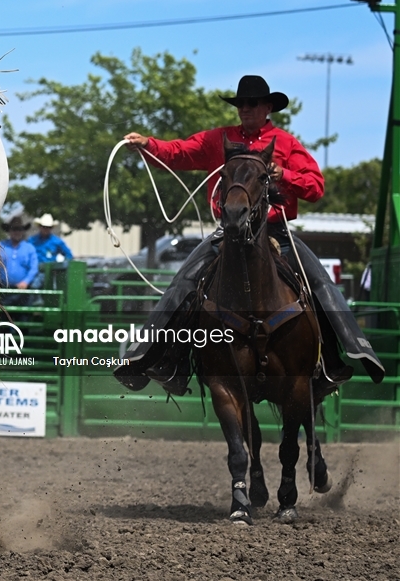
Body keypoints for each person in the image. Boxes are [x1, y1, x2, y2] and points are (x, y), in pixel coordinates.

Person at [114, 75, 384, 396]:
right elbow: (181, 152)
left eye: (252, 103)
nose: (245, 109)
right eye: (241, 103)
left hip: (273, 231)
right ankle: (162, 358)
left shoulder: (286, 143)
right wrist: (149, 144)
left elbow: (315, 186)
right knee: (184, 283)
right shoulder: (219, 139)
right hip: (227, 233)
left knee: (320, 283)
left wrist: (285, 174)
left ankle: (337, 358)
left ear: (267, 107)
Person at [0, 215, 38, 308]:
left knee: (23, 319)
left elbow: (34, 268)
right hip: (3, 291)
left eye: (19, 229)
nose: (17, 232)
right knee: (3, 319)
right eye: (14, 229)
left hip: (23, 292)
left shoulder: (29, 248)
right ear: (9, 231)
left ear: (23, 231)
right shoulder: (0, 246)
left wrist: (26, 281)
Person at [28, 213, 73, 289]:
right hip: (33, 271)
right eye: (44, 227)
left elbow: (68, 255)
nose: (46, 229)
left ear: (51, 228)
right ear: (40, 227)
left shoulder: (57, 241)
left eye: (48, 227)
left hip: (50, 273)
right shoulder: (32, 240)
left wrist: (60, 266)